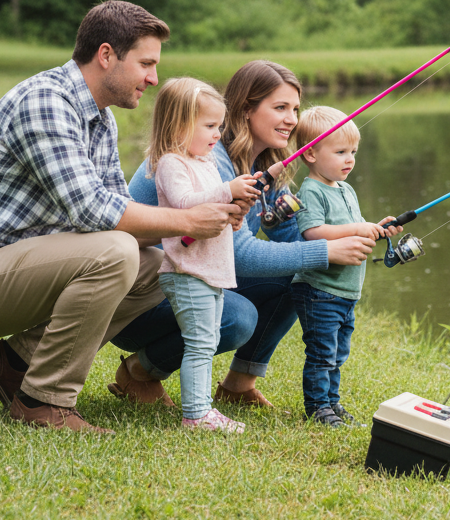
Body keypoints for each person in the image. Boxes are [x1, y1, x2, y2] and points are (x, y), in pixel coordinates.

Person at [0, 0, 244, 433]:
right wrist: (187, 222)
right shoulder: (48, 101)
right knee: (118, 251)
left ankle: (15, 364)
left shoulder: (100, 119)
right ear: (106, 55)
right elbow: (94, 211)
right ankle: (42, 402)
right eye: (145, 63)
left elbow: (118, 209)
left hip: (10, 266)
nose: (154, 78)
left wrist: (209, 215)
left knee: (155, 261)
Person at [128, 60, 378, 407]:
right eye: (280, 108)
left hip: (191, 269)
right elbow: (237, 253)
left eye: (294, 108)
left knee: (297, 276)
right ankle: (139, 372)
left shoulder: (264, 162)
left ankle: (238, 386)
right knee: (236, 317)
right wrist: (326, 253)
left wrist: (349, 233)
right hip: (142, 290)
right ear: (246, 109)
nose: (292, 119)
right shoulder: (206, 154)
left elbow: (291, 237)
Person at [149, 77, 258, 432]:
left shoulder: (206, 160)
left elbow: (213, 211)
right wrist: (227, 189)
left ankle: (201, 411)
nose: (217, 134)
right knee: (198, 344)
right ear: (179, 124)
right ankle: (196, 415)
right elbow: (184, 205)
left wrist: (233, 215)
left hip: (209, 270)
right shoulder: (171, 163)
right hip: (185, 271)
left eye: (220, 126)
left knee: (206, 342)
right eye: (210, 125)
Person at [289, 107, 400, 426]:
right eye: (340, 152)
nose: (349, 159)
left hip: (346, 292)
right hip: (319, 290)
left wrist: (376, 228)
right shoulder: (311, 189)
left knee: (337, 354)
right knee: (322, 353)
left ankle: (332, 403)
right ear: (310, 153)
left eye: (352, 151)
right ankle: (318, 407)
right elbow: (313, 233)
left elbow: (353, 226)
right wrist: (357, 229)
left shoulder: (345, 188)